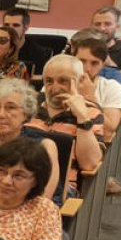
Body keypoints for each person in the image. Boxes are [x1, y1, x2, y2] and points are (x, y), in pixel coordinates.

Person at [27, 55, 104, 185]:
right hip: (21, 179)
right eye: (49, 81)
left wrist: (82, 117)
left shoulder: (91, 112)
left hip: (61, 187)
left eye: (63, 81)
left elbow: (90, 165)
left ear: (79, 81)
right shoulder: (28, 106)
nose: (55, 89)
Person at [71, 34, 121, 142]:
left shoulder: (112, 87)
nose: (87, 68)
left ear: (103, 64)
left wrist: (90, 99)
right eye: (82, 61)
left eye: (94, 63)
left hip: (96, 145)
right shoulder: (59, 81)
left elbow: (109, 131)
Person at [3, 7, 51, 75]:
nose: (10, 29)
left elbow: (37, 82)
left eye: (15, 25)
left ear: (25, 27)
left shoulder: (37, 54)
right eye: (6, 25)